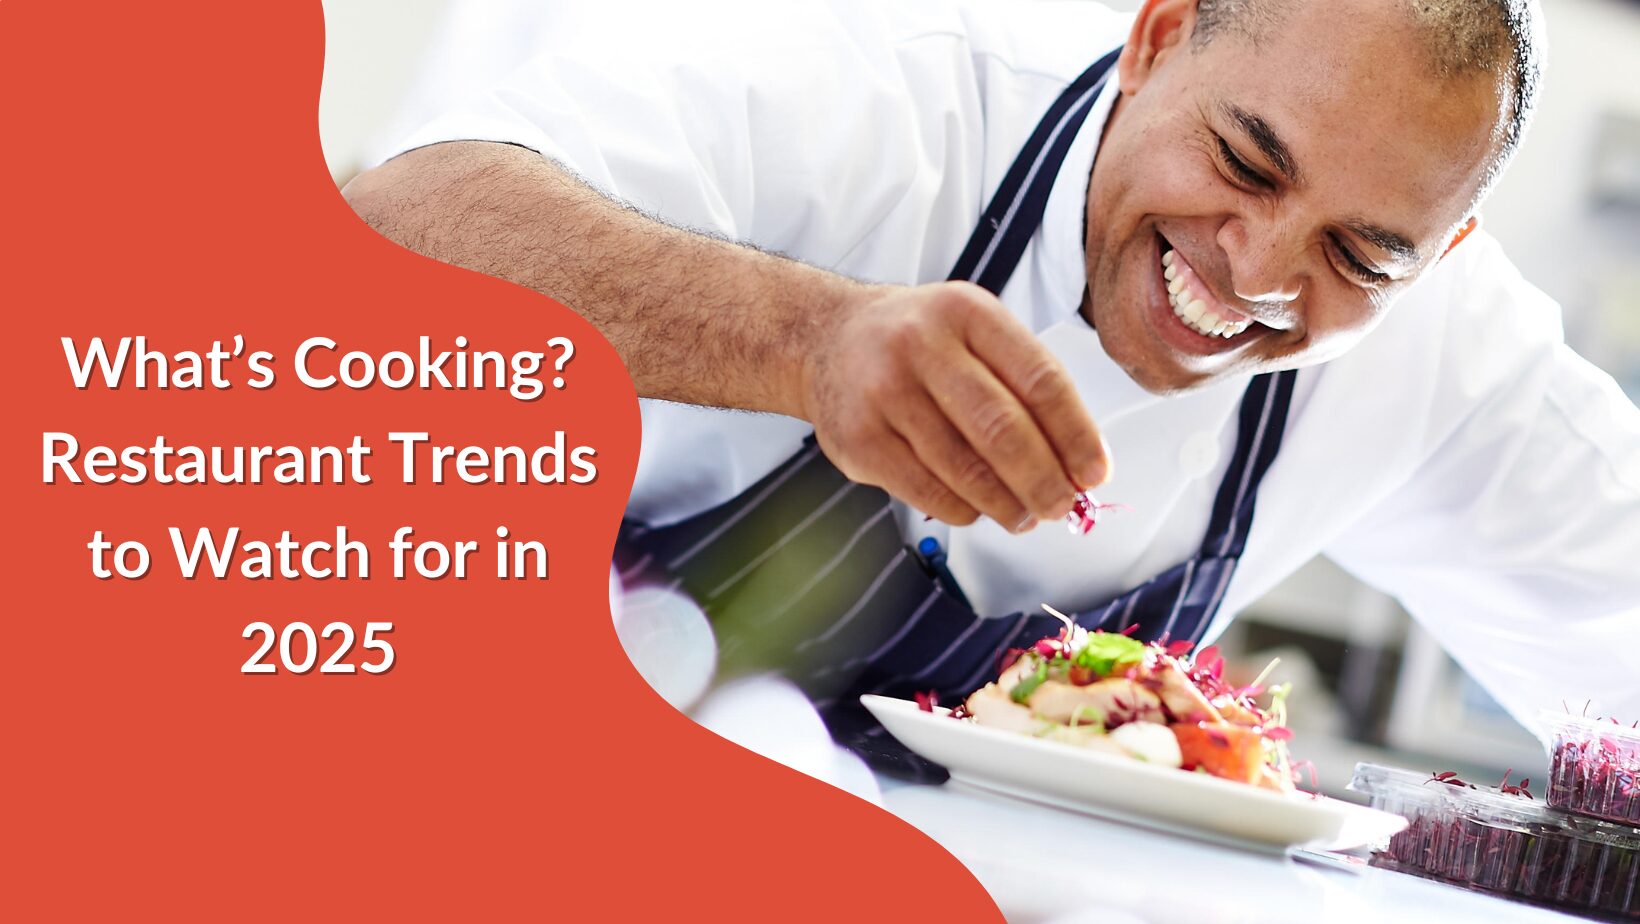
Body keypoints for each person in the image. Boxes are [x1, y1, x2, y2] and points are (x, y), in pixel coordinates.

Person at [343, 0, 1640, 772]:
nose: (1257, 275)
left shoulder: (1445, 353)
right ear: (1160, 37)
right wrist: (801, 341)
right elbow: (392, 225)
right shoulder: (879, 102)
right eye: (1246, 162)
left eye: (1360, 255)